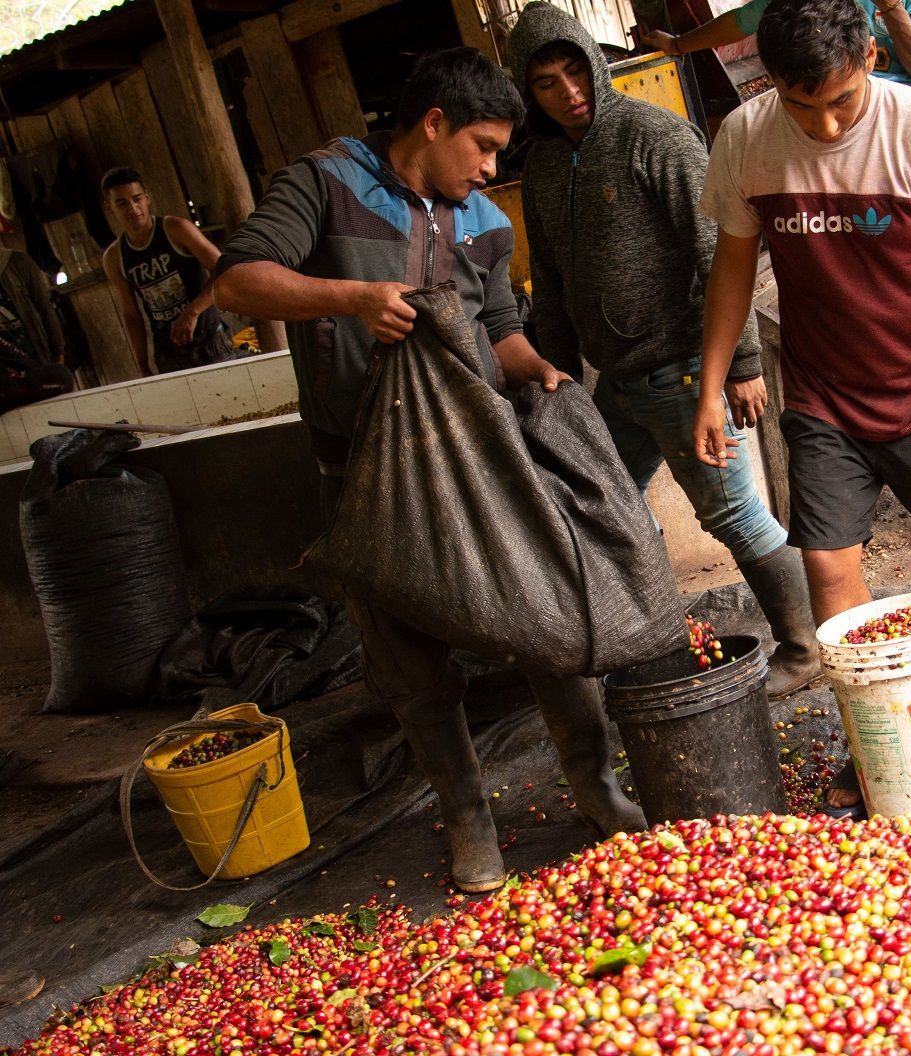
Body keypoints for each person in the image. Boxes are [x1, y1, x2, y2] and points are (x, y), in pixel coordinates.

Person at [215, 47, 644, 893]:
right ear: (434, 122)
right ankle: (468, 820)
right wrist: (348, 298)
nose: (490, 169)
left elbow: (502, 327)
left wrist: (536, 370)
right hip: (368, 471)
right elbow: (238, 282)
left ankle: (595, 786)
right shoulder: (326, 183)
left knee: (548, 623)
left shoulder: (484, 223)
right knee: (413, 661)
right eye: (482, 147)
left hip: (483, 464)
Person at [690, 0, 911, 815]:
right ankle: (872, 740)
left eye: (841, 101)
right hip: (824, 397)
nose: (822, 125)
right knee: (827, 566)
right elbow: (733, 272)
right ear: (767, 79)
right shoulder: (746, 137)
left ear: (872, 58)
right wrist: (710, 388)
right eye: (800, 103)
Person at [506, 1, 821, 699]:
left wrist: (738, 366)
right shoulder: (546, 166)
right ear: (528, 93)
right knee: (605, 510)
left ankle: (803, 646)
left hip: (686, 371)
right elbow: (551, 285)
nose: (569, 93)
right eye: (547, 83)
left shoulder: (655, 135)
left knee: (734, 514)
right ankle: (655, 646)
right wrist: (556, 383)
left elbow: (720, 258)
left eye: (573, 72)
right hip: (613, 383)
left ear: (594, 62)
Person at [100, 168, 237, 376]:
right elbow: (131, 315)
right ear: (109, 209)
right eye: (122, 203)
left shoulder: (176, 229)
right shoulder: (114, 257)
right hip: (168, 353)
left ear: (147, 199)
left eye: (137, 199)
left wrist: (192, 312)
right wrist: (142, 364)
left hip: (209, 340)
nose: (133, 208)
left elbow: (224, 269)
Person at [643, 0, 911, 94]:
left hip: (902, 97)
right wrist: (678, 44)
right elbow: (742, 20)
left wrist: (891, 8)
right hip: (825, 98)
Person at [0, 248, 72, 412]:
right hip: (6, 376)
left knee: (61, 376)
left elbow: (46, 310)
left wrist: (58, 355)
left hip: (35, 363)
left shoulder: (17, 262)